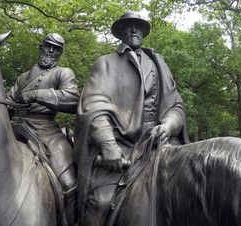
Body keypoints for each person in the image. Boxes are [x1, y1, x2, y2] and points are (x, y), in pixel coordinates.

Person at [75, 12, 189, 225]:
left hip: (161, 145)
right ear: (121, 32)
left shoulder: (158, 63)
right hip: (123, 147)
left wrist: (169, 125)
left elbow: (176, 104)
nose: (134, 30)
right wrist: (108, 145)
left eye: (138, 26)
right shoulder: (106, 63)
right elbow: (94, 105)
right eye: (129, 26)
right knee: (100, 202)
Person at [6, 33, 78, 225]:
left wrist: (35, 95)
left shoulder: (63, 73)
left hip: (46, 131)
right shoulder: (22, 78)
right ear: (41, 47)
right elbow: (7, 102)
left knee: (69, 185)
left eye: (57, 48)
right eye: (48, 46)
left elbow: (72, 99)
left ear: (60, 52)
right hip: (16, 130)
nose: (51, 51)